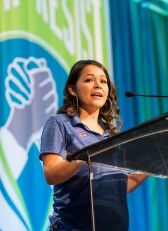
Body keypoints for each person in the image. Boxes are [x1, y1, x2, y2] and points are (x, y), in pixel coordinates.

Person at [39, 60, 147, 231]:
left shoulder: (111, 135)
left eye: (103, 81)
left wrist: (148, 169)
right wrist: (83, 158)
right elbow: (51, 174)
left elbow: (117, 185)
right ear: (72, 89)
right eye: (89, 80)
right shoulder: (60, 124)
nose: (98, 85)